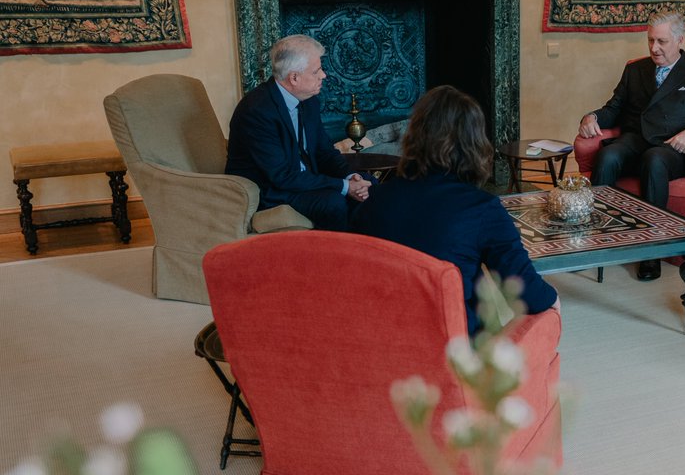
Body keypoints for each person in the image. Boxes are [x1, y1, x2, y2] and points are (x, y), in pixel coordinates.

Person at [351, 86, 559, 335]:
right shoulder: (482, 209)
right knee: (549, 312)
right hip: (450, 350)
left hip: (381, 339)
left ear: (414, 137)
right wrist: (555, 303)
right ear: (474, 142)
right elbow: (530, 295)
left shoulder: (374, 200)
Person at [578, 11, 685, 281]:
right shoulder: (635, 69)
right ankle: (596, 235)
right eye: (650, 41)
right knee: (608, 155)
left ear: (680, 39)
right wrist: (592, 117)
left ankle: (651, 250)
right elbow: (615, 108)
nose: (654, 48)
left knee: (654, 160)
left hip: (671, 149)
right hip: (635, 139)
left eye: (662, 42)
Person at [226, 34, 372, 232]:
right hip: (270, 190)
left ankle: (368, 253)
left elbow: (324, 152)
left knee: (370, 184)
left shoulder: (309, 100)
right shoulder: (256, 110)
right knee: (333, 201)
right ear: (294, 77)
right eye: (316, 71)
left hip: (299, 180)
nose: (324, 75)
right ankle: (337, 258)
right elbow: (281, 176)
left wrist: (351, 176)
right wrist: (344, 186)